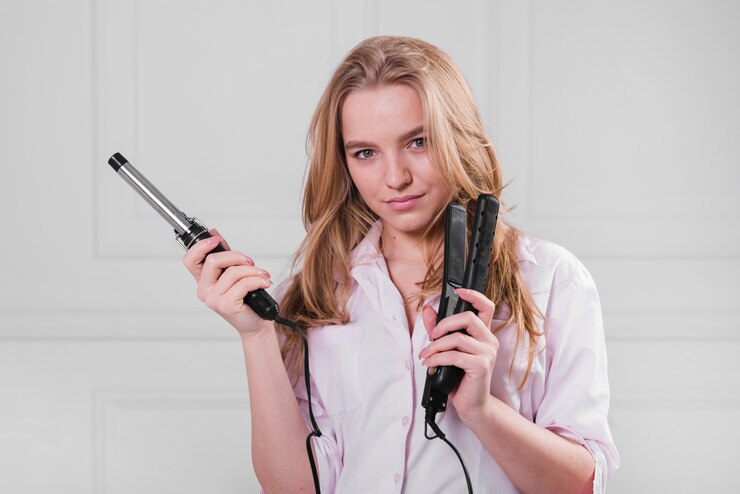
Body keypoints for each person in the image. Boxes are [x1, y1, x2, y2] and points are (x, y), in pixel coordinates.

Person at [183, 36, 619, 493]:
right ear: (344, 162)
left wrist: (482, 412)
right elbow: (295, 489)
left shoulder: (552, 279)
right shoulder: (311, 295)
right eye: (365, 153)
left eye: (417, 142)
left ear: (457, 138)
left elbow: (581, 486)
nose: (395, 178)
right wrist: (256, 337)